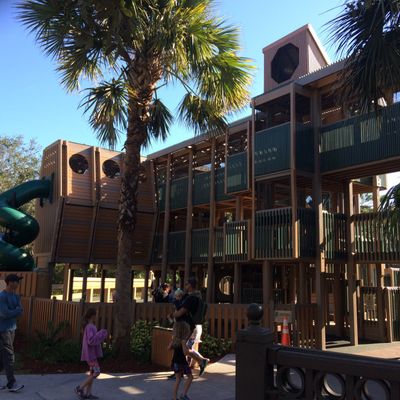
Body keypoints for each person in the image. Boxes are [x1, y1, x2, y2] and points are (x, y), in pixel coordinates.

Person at [173, 278, 209, 375]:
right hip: (194, 326)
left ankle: (182, 370)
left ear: (190, 285)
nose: (185, 286)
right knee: (184, 349)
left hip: (189, 327)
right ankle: (201, 361)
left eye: (186, 284)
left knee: (184, 349)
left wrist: (174, 314)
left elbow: (180, 313)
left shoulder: (191, 298)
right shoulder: (198, 296)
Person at [75, 308, 108, 400]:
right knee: (96, 372)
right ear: (93, 316)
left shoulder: (90, 326)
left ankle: (88, 393)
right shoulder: (90, 327)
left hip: (91, 354)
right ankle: (80, 388)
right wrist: (101, 334)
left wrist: (99, 335)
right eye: (96, 314)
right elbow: (91, 340)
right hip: (90, 355)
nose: (97, 316)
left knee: (92, 373)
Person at [0, 274, 24, 392]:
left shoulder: (16, 296)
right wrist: (16, 310)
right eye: (16, 281)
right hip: (3, 329)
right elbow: (4, 314)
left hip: (12, 328)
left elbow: (21, 311)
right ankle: (11, 383)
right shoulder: (2, 296)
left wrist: (14, 311)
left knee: (2, 356)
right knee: (9, 355)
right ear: (9, 282)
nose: (18, 284)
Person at [168, 321, 193, 400]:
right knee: (190, 377)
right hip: (182, 362)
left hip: (175, 361)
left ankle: (174, 398)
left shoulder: (175, 339)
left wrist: (172, 342)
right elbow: (185, 353)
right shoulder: (183, 341)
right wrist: (189, 350)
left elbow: (168, 348)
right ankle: (183, 395)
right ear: (185, 331)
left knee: (178, 379)